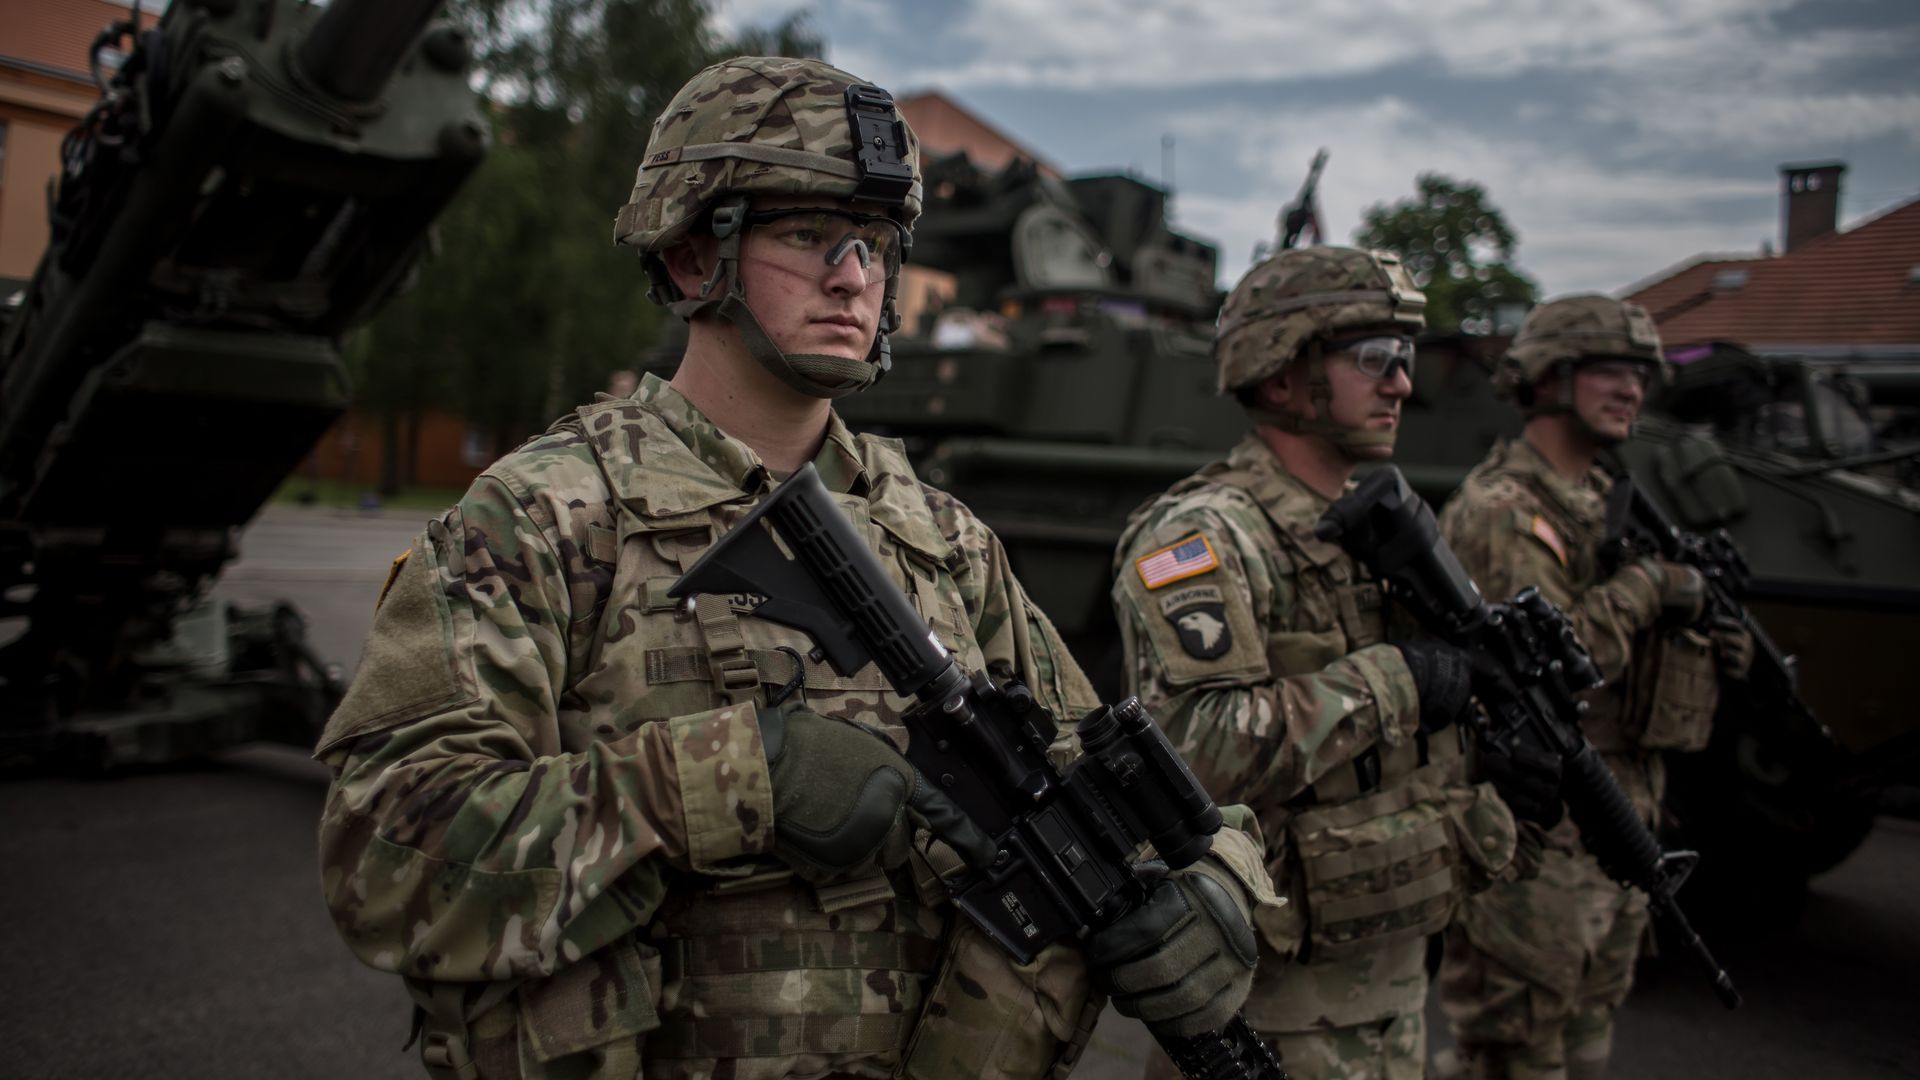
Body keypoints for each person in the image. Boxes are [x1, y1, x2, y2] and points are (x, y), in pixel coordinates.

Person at [314, 57, 1275, 1080]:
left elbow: (1091, 774)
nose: (853, 277)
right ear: (693, 261)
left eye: (874, 245)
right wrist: (730, 779)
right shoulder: (544, 517)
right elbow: (384, 860)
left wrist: (1217, 878)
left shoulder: (944, 538)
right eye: (807, 237)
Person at [1111, 247, 1562, 1080]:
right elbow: (1191, 747)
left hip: (1390, 986)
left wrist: (1494, 768)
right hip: (1265, 1014)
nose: (1400, 383)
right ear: (1280, 375)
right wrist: (1401, 679)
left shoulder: (1383, 533)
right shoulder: (1207, 536)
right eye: (1373, 359)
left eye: (1405, 360)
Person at [1433, 294, 1752, 1079]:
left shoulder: (1601, 502)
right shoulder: (1505, 509)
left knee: (1587, 1041)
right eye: (1608, 370)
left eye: (1640, 373)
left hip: (1623, 813)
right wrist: (1652, 588)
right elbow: (1541, 666)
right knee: (1516, 1051)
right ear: (1547, 378)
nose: (1631, 389)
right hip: (1542, 829)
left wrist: (1709, 635)